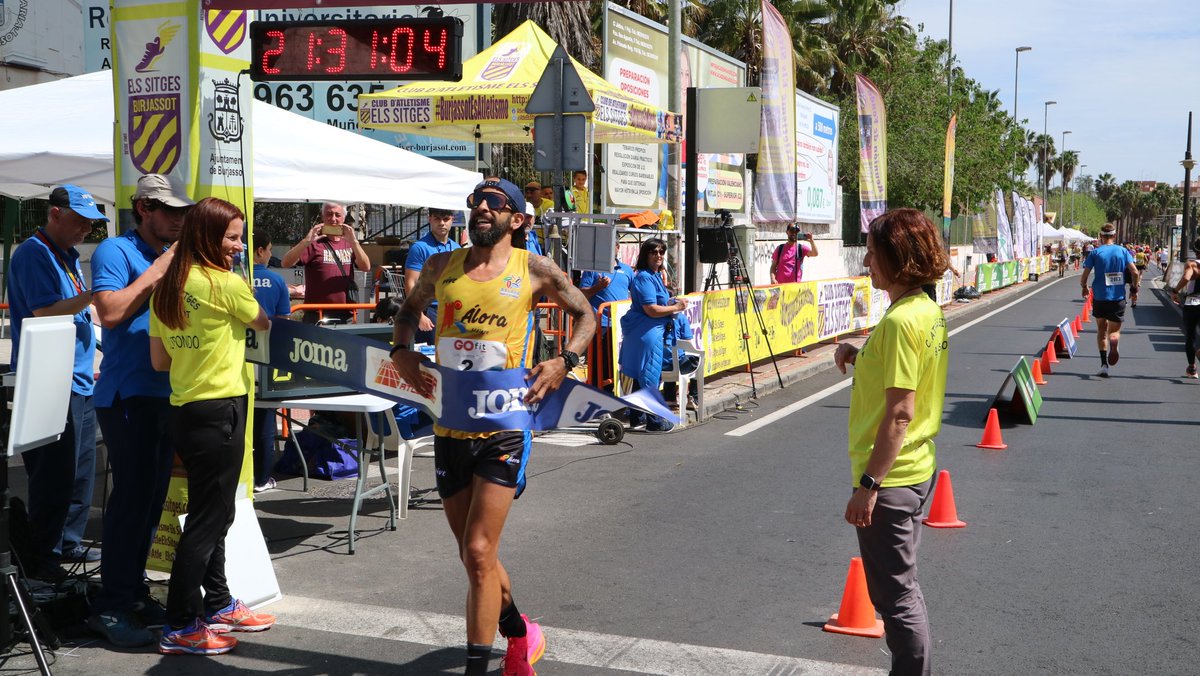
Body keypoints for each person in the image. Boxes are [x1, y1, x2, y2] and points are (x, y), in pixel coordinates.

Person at [389, 178, 596, 676]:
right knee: (472, 556)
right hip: (450, 427)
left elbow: (586, 315)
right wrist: (401, 352)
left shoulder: (536, 268)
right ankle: (519, 634)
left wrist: (563, 362)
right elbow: (406, 314)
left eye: (494, 203)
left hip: (505, 423)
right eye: (475, 202)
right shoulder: (441, 266)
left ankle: (480, 668)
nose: (480, 208)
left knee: (480, 549)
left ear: (517, 219)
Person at [149, 197, 274, 656]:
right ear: (207, 237)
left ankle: (218, 603)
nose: (239, 246)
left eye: (240, 237)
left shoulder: (166, 287)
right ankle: (180, 623)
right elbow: (262, 322)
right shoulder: (224, 282)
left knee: (212, 512)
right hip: (220, 410)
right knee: (209, 518)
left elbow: (160, 361)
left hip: (185, 409)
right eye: (233, 237)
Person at [834, 208, 950, 676]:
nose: (867, 260)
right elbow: (905, 377)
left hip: (892, 476)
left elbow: (900, 413)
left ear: (899, 257)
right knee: (896, 588)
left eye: (874, 251)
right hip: (915, 468)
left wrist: (868, 484)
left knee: (896, 595)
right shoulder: (923, 310)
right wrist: (861, 355)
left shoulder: (903, 321)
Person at [88, 174, 192, 647]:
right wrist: (159, 271)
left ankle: (131, 591)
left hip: (168, 392)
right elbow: (108, 313)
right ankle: (111, 605)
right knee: (131, 502)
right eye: (169, 211)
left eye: (181, 212)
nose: (178, 219)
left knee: (151, 503)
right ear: (143, 207)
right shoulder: (116, 251)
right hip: (128, 394)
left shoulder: (172, 252)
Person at [7, 185, 101, 583]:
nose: (85, 229)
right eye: (79, 221)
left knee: (80, 473)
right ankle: (42, 557)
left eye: (90, 223)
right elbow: (45, 310)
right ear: (55, 213)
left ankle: (67, 542)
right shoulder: (33, 252)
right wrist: (95, 296)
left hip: (78, 379)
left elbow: (75, 309)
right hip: (48, 381)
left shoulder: (68, 256)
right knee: (53, 477)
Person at [618, 238, 687, 432]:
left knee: (642, 377)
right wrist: (675, 307)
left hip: (649, 330)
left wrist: (671, 304)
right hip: (648, 332)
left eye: (661, 252)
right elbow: (650, 309)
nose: (658, 256)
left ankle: (637, 417)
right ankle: (655, 422)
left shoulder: (654, 275)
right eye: (654, 252)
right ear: (645, 255)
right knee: (650, 376)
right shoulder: (644, 277)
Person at [250, 230, 293, 493]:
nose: (270, 254)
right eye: (269, 249)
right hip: (265, 358)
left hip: (235, 356)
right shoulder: (276, 281)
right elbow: (285, 323)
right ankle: (261, 478)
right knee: (264, 420)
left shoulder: (232, 279)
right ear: (260, 251)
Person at [280, 201, 370, 324]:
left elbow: (366, 267)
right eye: (329, 214)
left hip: (345, 312)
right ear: (322, 217)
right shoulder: (314, 243)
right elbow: (285, 263)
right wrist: (306, 240)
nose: (333, 219)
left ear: (343, 218)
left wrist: (354, 242)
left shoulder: (349, 243)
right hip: (317, 313)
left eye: (337, 215)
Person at [1081, 223, 1140, 378]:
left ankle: (1104, 365)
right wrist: (1134, 288)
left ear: (1101, 236)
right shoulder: (1123, 251)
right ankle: (1114, 340)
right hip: (1117, 298)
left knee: (1101, 330)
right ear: (1114, 236)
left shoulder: (1095, 252)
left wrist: (1084, 287)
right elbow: (1134, 271)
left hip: (1100, 297)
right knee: (1113, 331)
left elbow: (1085, 275)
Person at [404, 207, 460, 344]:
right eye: (437, 219)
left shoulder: (457, 248)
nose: (441, 223)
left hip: (453, 310)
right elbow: (410, 282)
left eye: (446, 219)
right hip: (429, 310)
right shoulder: (419, 247)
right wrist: (418, 314)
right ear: (430, 220)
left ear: (452, 220)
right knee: (429, 358)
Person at [579, 251, 635, 389]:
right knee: (600, 366)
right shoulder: (591, 269)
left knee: (619, 364)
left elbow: (635, 292)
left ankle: (619, 395)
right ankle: (600, 397)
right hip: (600, 325)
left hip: (622, 326)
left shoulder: (627, 269)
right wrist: (598, 287)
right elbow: (581, 295)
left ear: (616, 247)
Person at [1170, 239, 1200, 378]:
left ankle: (1192, 368)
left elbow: (1187, 278)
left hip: (1192, 302)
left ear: (1195, 251)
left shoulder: (1192, 264)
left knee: (1191, 335)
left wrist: (1175, 291)